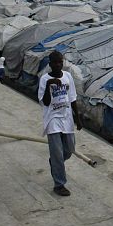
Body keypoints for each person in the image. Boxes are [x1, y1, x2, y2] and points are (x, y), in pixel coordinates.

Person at [38, 50, 82, 196]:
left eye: (60, 62)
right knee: (56, 151)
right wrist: (50, 85)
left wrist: (78, 118)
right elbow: (45, 102)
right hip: (52, 119)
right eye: (55, 63)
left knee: (69, 150)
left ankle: (56, 162)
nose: (58, 65)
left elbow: (72, 98)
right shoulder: (44, 79)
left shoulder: (67, 76)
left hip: (67, 118)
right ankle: (59, 184)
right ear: (50, 64)